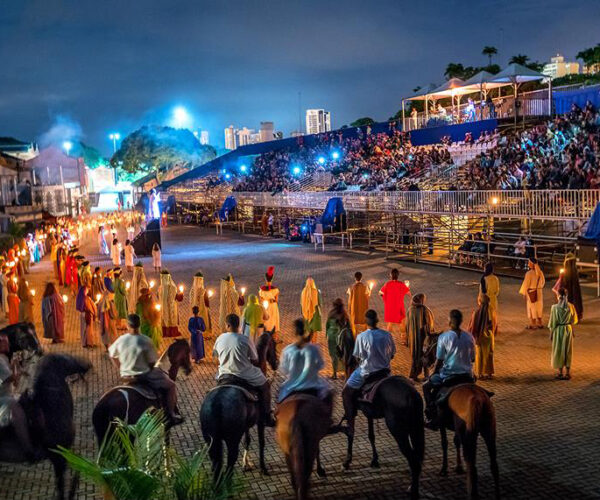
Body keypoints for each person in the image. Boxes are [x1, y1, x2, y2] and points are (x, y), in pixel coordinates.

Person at [108, 314, 183, 425]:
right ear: (140, 325)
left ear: (128, 326)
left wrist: (120, 367)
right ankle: (171, 414)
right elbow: (152, 363)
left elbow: (112, 355)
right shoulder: (145, 341)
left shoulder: (121, 340)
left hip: (125, 376)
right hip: (143, 375)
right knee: (171, 385)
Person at [213, 314, 275, 427]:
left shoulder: (220, 338)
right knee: (265, 385)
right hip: (244, 373)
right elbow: (255, 360)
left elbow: (216, 356)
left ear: (227, 325)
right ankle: (267, 416)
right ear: (239, 325)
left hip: (224, 373)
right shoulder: (245, 339)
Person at [340, 309, 395, 437]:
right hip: (385, 372)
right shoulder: (387, 335)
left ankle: (350, 423)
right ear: (377, 320)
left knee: (346, 392)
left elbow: (358, 357)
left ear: (366, 321)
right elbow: (392, 354)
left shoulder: (362, 336)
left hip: (367, 372)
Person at [423, 309, 475, 429]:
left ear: (449, 321)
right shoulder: (469, 337)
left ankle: (431, 413)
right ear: (461, 321)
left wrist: (434, 373)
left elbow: (439, 360)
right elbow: (472, 359)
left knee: (426, 386)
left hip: (449, 375)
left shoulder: (444, 337)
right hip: (467, 375)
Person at [0, 333, 43, 461]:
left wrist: (16, 366)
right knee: (17, 412)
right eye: (4, 342)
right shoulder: (0, 360)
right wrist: (15, 365)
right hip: (3, 398)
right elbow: (13, 378)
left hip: (8, 393)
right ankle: (28, 449)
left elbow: (15, 382)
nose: (8, 344)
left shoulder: (3, 357)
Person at [278, 318, 332, 405]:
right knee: (329, 394)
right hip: (312, 386)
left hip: (292, 388)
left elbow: (284, 370)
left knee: (279, 400)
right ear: (304, 330)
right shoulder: (314, 348)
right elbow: (321, 365)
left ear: (294, 333)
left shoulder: (287, 350)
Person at [549, 288, 577, 380]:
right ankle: (568, 373)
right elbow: (573, 320)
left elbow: (553, 323)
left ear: (558, 296)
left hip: (558, 330)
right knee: (568, 351)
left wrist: (551, 334)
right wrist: (572, 331)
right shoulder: (571, 306)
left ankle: (560, 372)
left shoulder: (555, 308)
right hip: (568, 330)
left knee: (559, 350)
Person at [406, 293, 434, 381]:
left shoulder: (409, 310)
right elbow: (429, 326)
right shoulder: (425, 310)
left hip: (412, 339)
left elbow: (407, 325)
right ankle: (425, 375)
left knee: (415, 356)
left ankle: (416, 374)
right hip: (422, 338)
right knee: (425, 356)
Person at [379, 268, 411, 344]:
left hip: (390, 307)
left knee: (390, 323)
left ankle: (387, 340)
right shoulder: (401, 284)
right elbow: (409, 294)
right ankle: (403, 340)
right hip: (399, 307)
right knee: (402, 323)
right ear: (398, 275)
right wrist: (407, 287)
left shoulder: (387, 284)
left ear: (391, 275)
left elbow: (380, 293)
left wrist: (386, 297)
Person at [468, 295, 495, 380]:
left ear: (479, 302)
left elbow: (473, 326)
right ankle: (489, 373)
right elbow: (494, 324)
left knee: (480, 355)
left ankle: (480, 374)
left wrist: (472, 337)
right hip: (490, 336)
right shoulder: (491, 312)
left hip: (480, 336)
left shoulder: (477, 312)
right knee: (489, 354)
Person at [325, 298, 350, 379]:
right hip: (340, 337)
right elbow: (347, 326)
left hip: (332, 337)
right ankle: (345, 372)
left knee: (333, 356)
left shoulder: (331, 313)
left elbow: (327, 325)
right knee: (342, 355)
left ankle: (335, 373)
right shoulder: (344, 314)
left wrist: (327, 334)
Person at [553, 253, 583, 320]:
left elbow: (562, 283)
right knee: (574, 300)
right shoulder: (575, 273)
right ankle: (575, 315)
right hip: (573, 291)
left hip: (567, 291)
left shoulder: (565, 272)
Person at [519, 258, 545, 329]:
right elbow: (543, 283)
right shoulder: (540, 273)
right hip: (539, 292)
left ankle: (533, 324)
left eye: (529, 262)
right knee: (539, 307)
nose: (528, 264)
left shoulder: (529, 274)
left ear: (532, 264)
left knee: (532, 307)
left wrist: (524, 293)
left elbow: (526, 284)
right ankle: (540, 323)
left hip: (531, 292)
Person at [158, 270, 183, 338]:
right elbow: (177, 298)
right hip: (167, 308)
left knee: (168, 318)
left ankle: (168, 332)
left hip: (167, 308)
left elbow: (158, 297)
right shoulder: (168, 287)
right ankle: (169, 331)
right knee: (168, 318)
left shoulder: (163, 287)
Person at [258, 266, 280, 340]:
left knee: (266, 321)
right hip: (273, 307)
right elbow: (276, 300)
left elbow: (260, 300)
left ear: (265, 279)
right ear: (272, 278)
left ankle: (265, 335)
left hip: (265, 306)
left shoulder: (261, 290)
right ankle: (274, 338)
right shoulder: (276, 290)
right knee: (273, 321)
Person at [189, 271, 212, 339]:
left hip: (194, 310)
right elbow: (206, 302)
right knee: (203, 321)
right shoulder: (202, 291)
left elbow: (190, 300)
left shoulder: (192, 290)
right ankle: (204, 334)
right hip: (202, 310)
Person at [347, 271, 370, 336]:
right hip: (363, 308)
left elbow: (349, 297)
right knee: (364, 321)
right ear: (361, 278)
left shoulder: (351, 287)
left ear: (355, 278)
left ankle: (355, 336)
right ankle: (365, 335)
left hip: (354, 307)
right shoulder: (365, 287)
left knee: (354, 323)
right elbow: (367, 297)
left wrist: (349, 307)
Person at [99, 278, 118, 351]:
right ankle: (113, 346)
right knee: (112, 331)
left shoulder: (106, 294)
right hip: (109, 315)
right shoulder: (111, 293)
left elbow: (103, 305)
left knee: (107, 332)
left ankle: (108, 347)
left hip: (106, 316)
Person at [479, 263, 500, 328]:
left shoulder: (484, 279)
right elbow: (497, 290)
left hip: (486, 299)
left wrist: (480, 299)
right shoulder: (496, 278)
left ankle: (487, 328)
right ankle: (494, 327)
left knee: (487, 315)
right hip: (493, 299)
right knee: (493, 314)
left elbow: (482, 292)